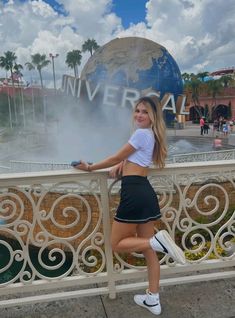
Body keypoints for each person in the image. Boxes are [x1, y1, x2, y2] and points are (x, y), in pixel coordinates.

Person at [73, 96, 186, 315]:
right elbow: (129, 157)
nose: (139, 115)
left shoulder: (141, 133)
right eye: (137, 110)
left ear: (152, 117)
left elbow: (118, 154)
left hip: (133, 192)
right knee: (148, 248)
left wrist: (90, 167)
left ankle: (158, 241)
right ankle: (152, 298)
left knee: (116, 243)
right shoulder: (151, 135)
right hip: (145, 191)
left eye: (145, 111)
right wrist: (122, 165)